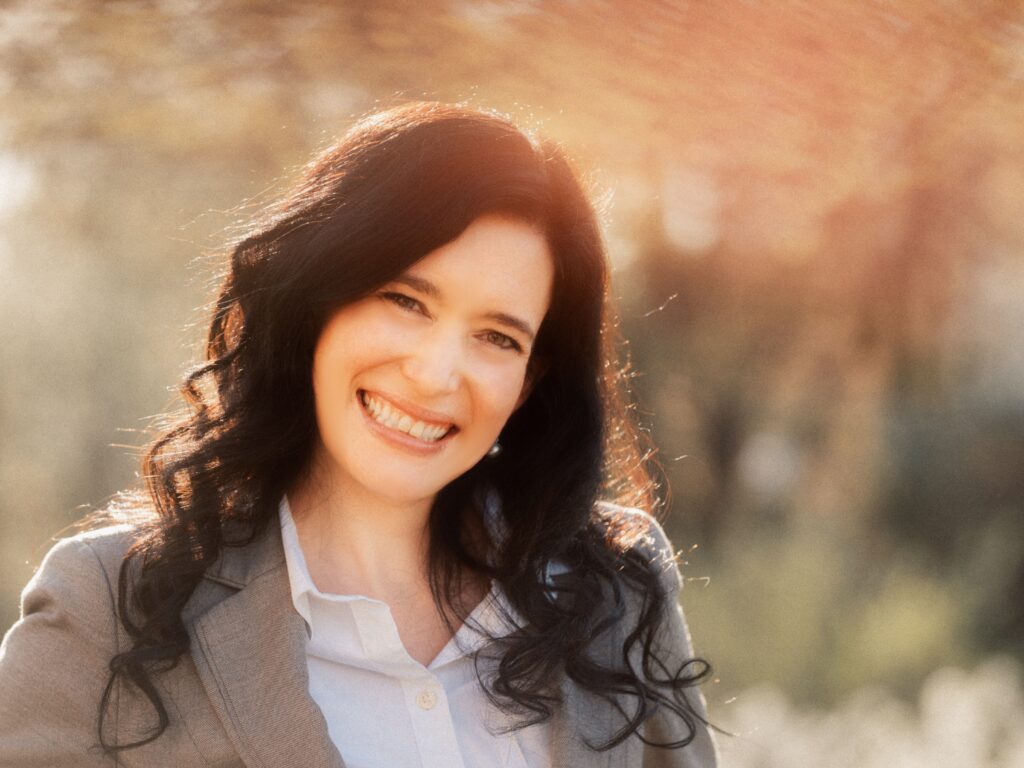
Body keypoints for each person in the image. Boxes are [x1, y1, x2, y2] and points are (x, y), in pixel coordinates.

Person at [0, 102, 718, 767]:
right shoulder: (106, 608)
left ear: (529, 381)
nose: (437, 374)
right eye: (405, 300)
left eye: (497, 337)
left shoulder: (613, 589)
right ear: (317, 301)